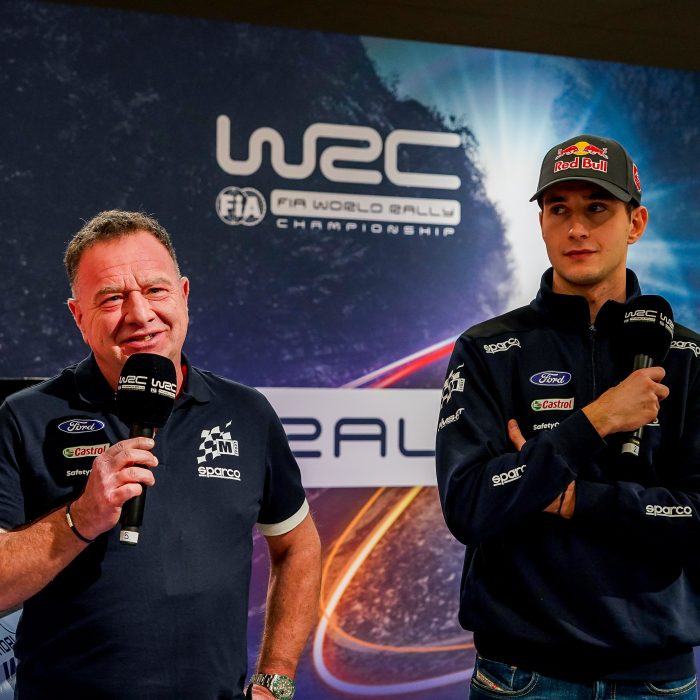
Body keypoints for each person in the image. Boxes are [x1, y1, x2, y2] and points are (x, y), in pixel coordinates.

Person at [0, 210, 321, 700]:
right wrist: (79, 519)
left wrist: (274, 679)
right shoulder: (24, 417)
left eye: (155, 290)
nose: (139, 314)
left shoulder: (246, 412)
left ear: (184, 295)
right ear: (78, 316)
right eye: (111, 298)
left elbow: (298, 546)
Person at [436, 135, 700, 699]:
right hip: (521, 675)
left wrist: (574, 497)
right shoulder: (487, 350)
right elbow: (470, 505)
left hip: (657, 679)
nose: (576, 228)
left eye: (597, 208)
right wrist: (595, 422)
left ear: (635, 223)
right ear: (541, 224)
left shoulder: (688, 356)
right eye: (559, 209)